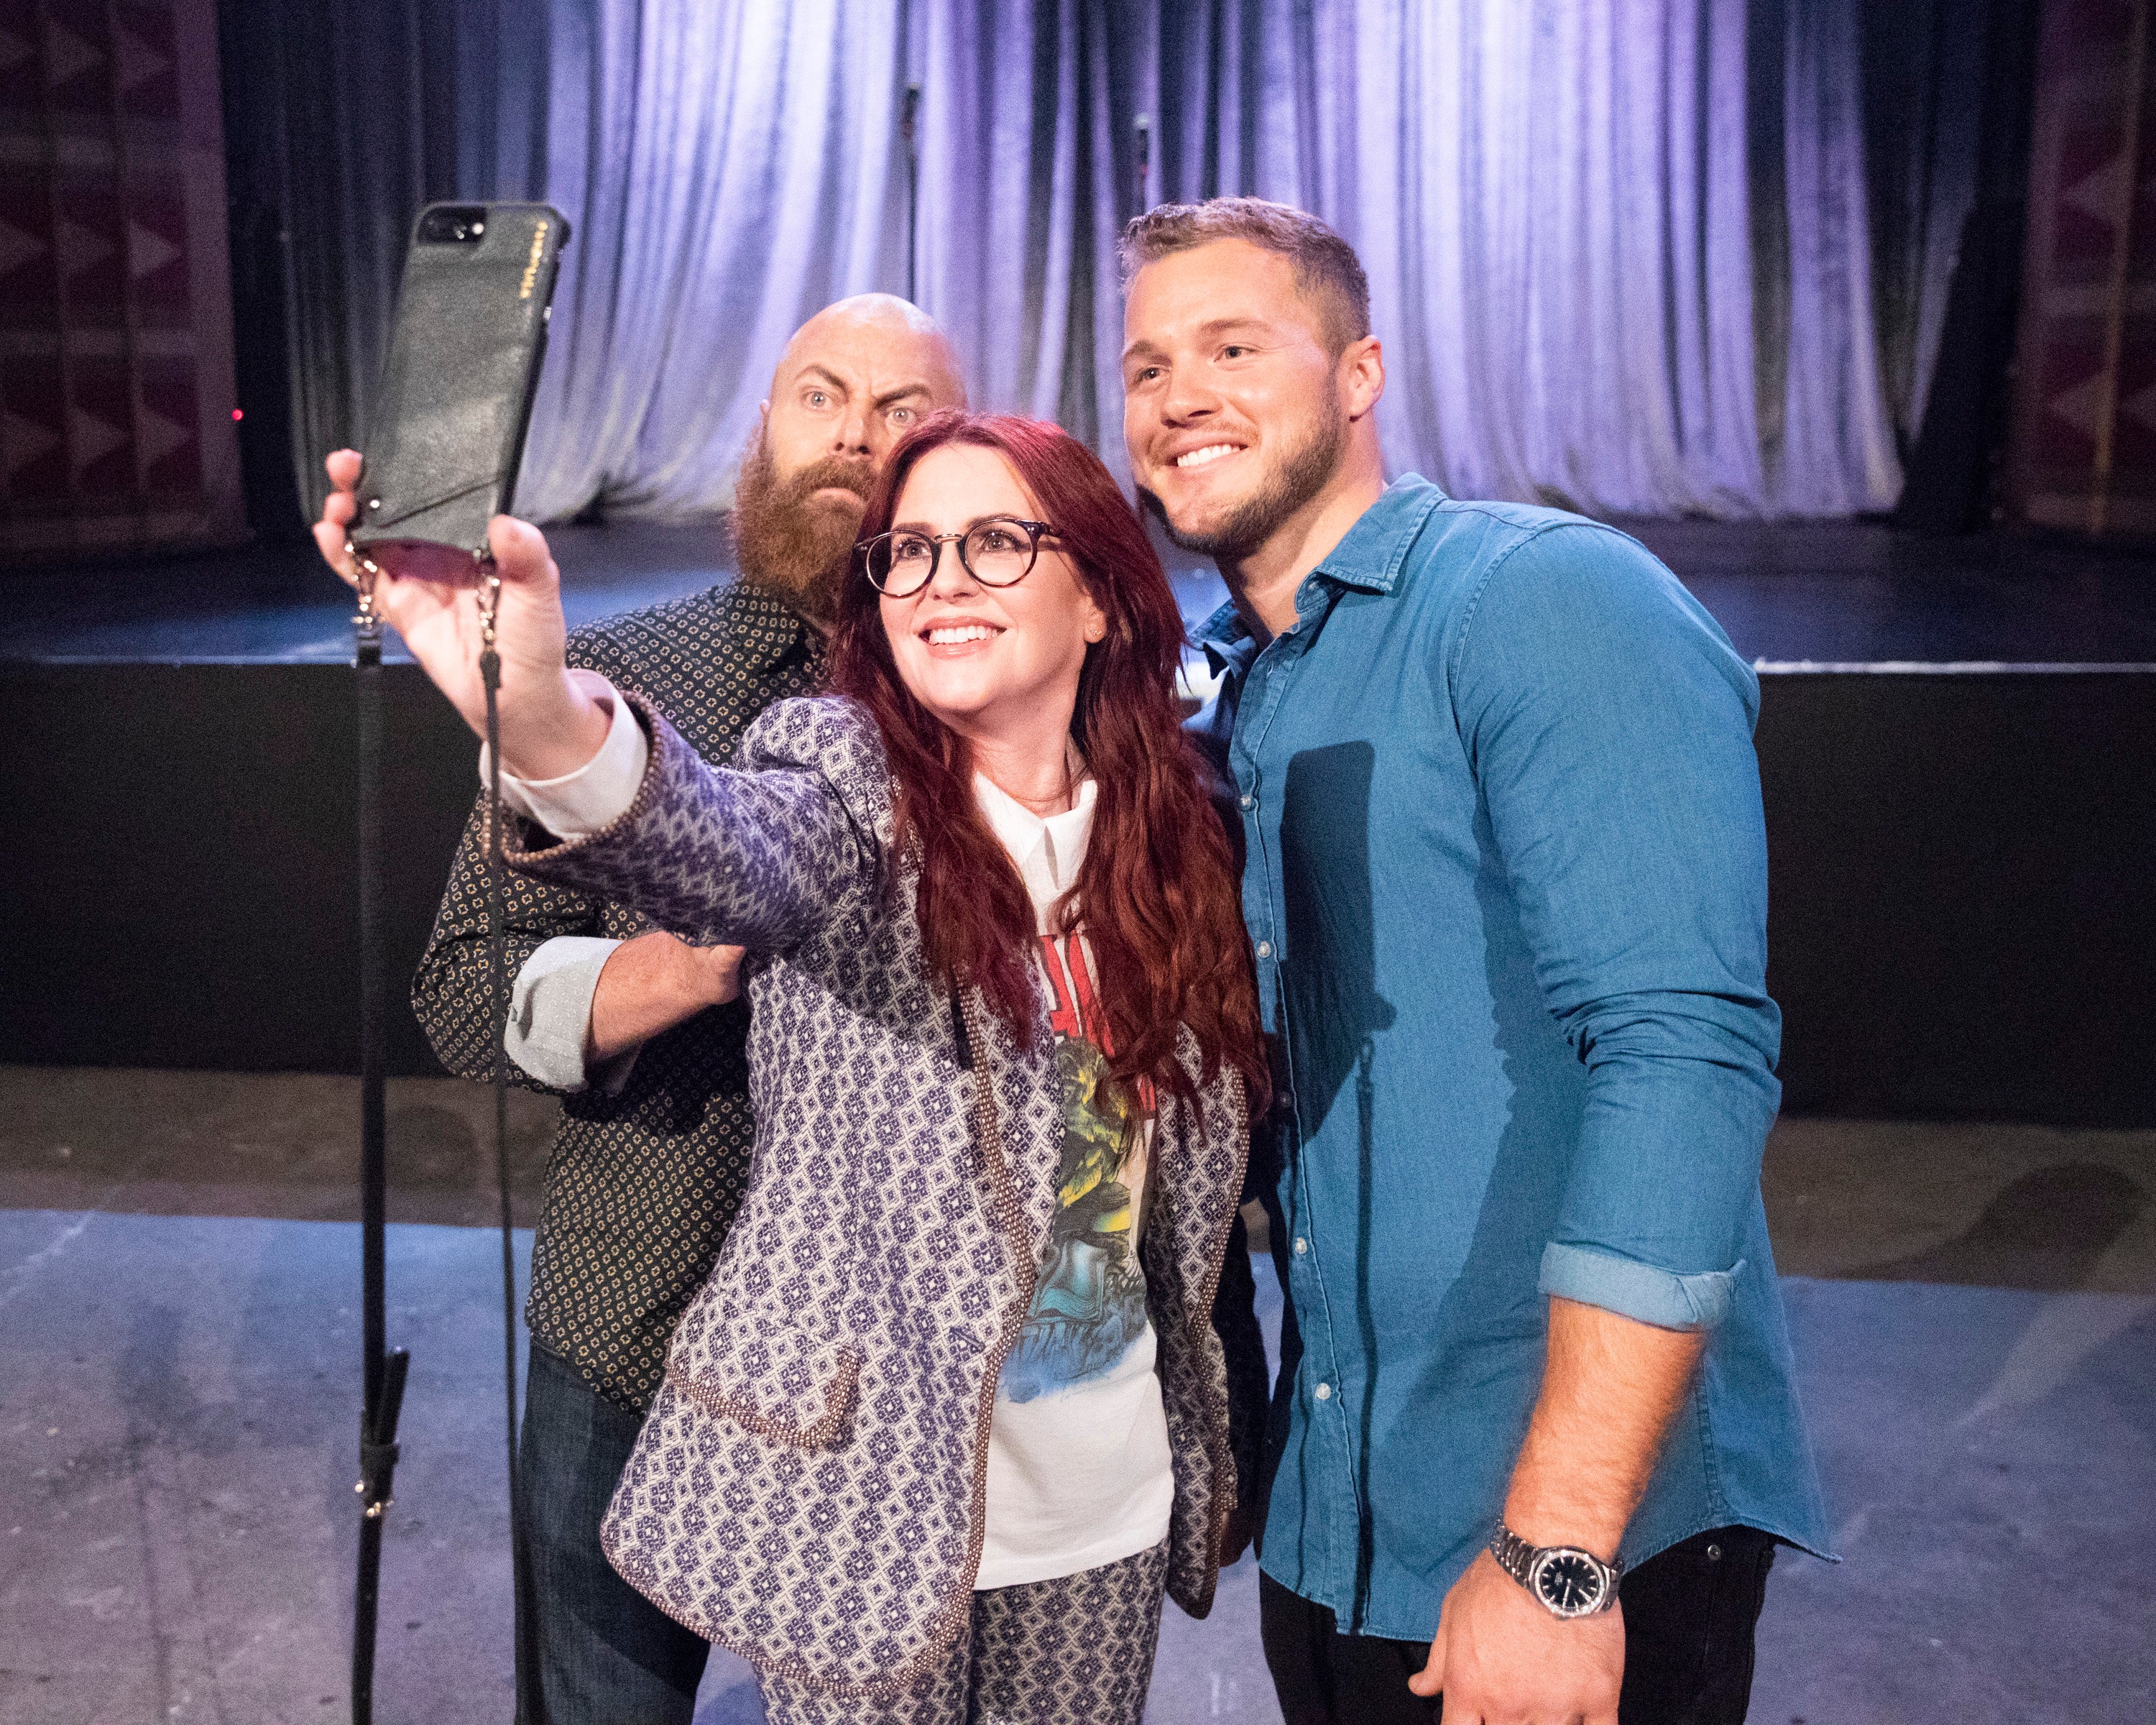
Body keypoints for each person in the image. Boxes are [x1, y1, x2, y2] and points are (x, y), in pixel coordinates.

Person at [321, 410, 1273, 1724]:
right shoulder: (838, 786)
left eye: (996, 542)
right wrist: (534, 708)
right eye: (911, 553)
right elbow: (701, 838)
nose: (941, 581)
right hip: (865, 1514)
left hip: (1104, 1507)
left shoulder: (1185, 835)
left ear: (1105, 596)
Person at [1118, 196, 1831, 1724]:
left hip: (1569, 1543)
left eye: (1235, 346)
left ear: (1359, 374)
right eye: (1148, 364)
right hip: (1344, 1521)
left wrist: (1559, 1551)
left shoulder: (1542, 602)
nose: (1181, 395)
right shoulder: (1229, 699)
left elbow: (1686, 1061)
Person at [318, 293, 966, 1724]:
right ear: (760, 432)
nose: (855, 433)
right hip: (636, 1319)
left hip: (906, 1361)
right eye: (820, 394)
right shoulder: (617, 681)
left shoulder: (990, 688)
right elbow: (465, 982)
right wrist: (664, 974)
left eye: (904, 409)